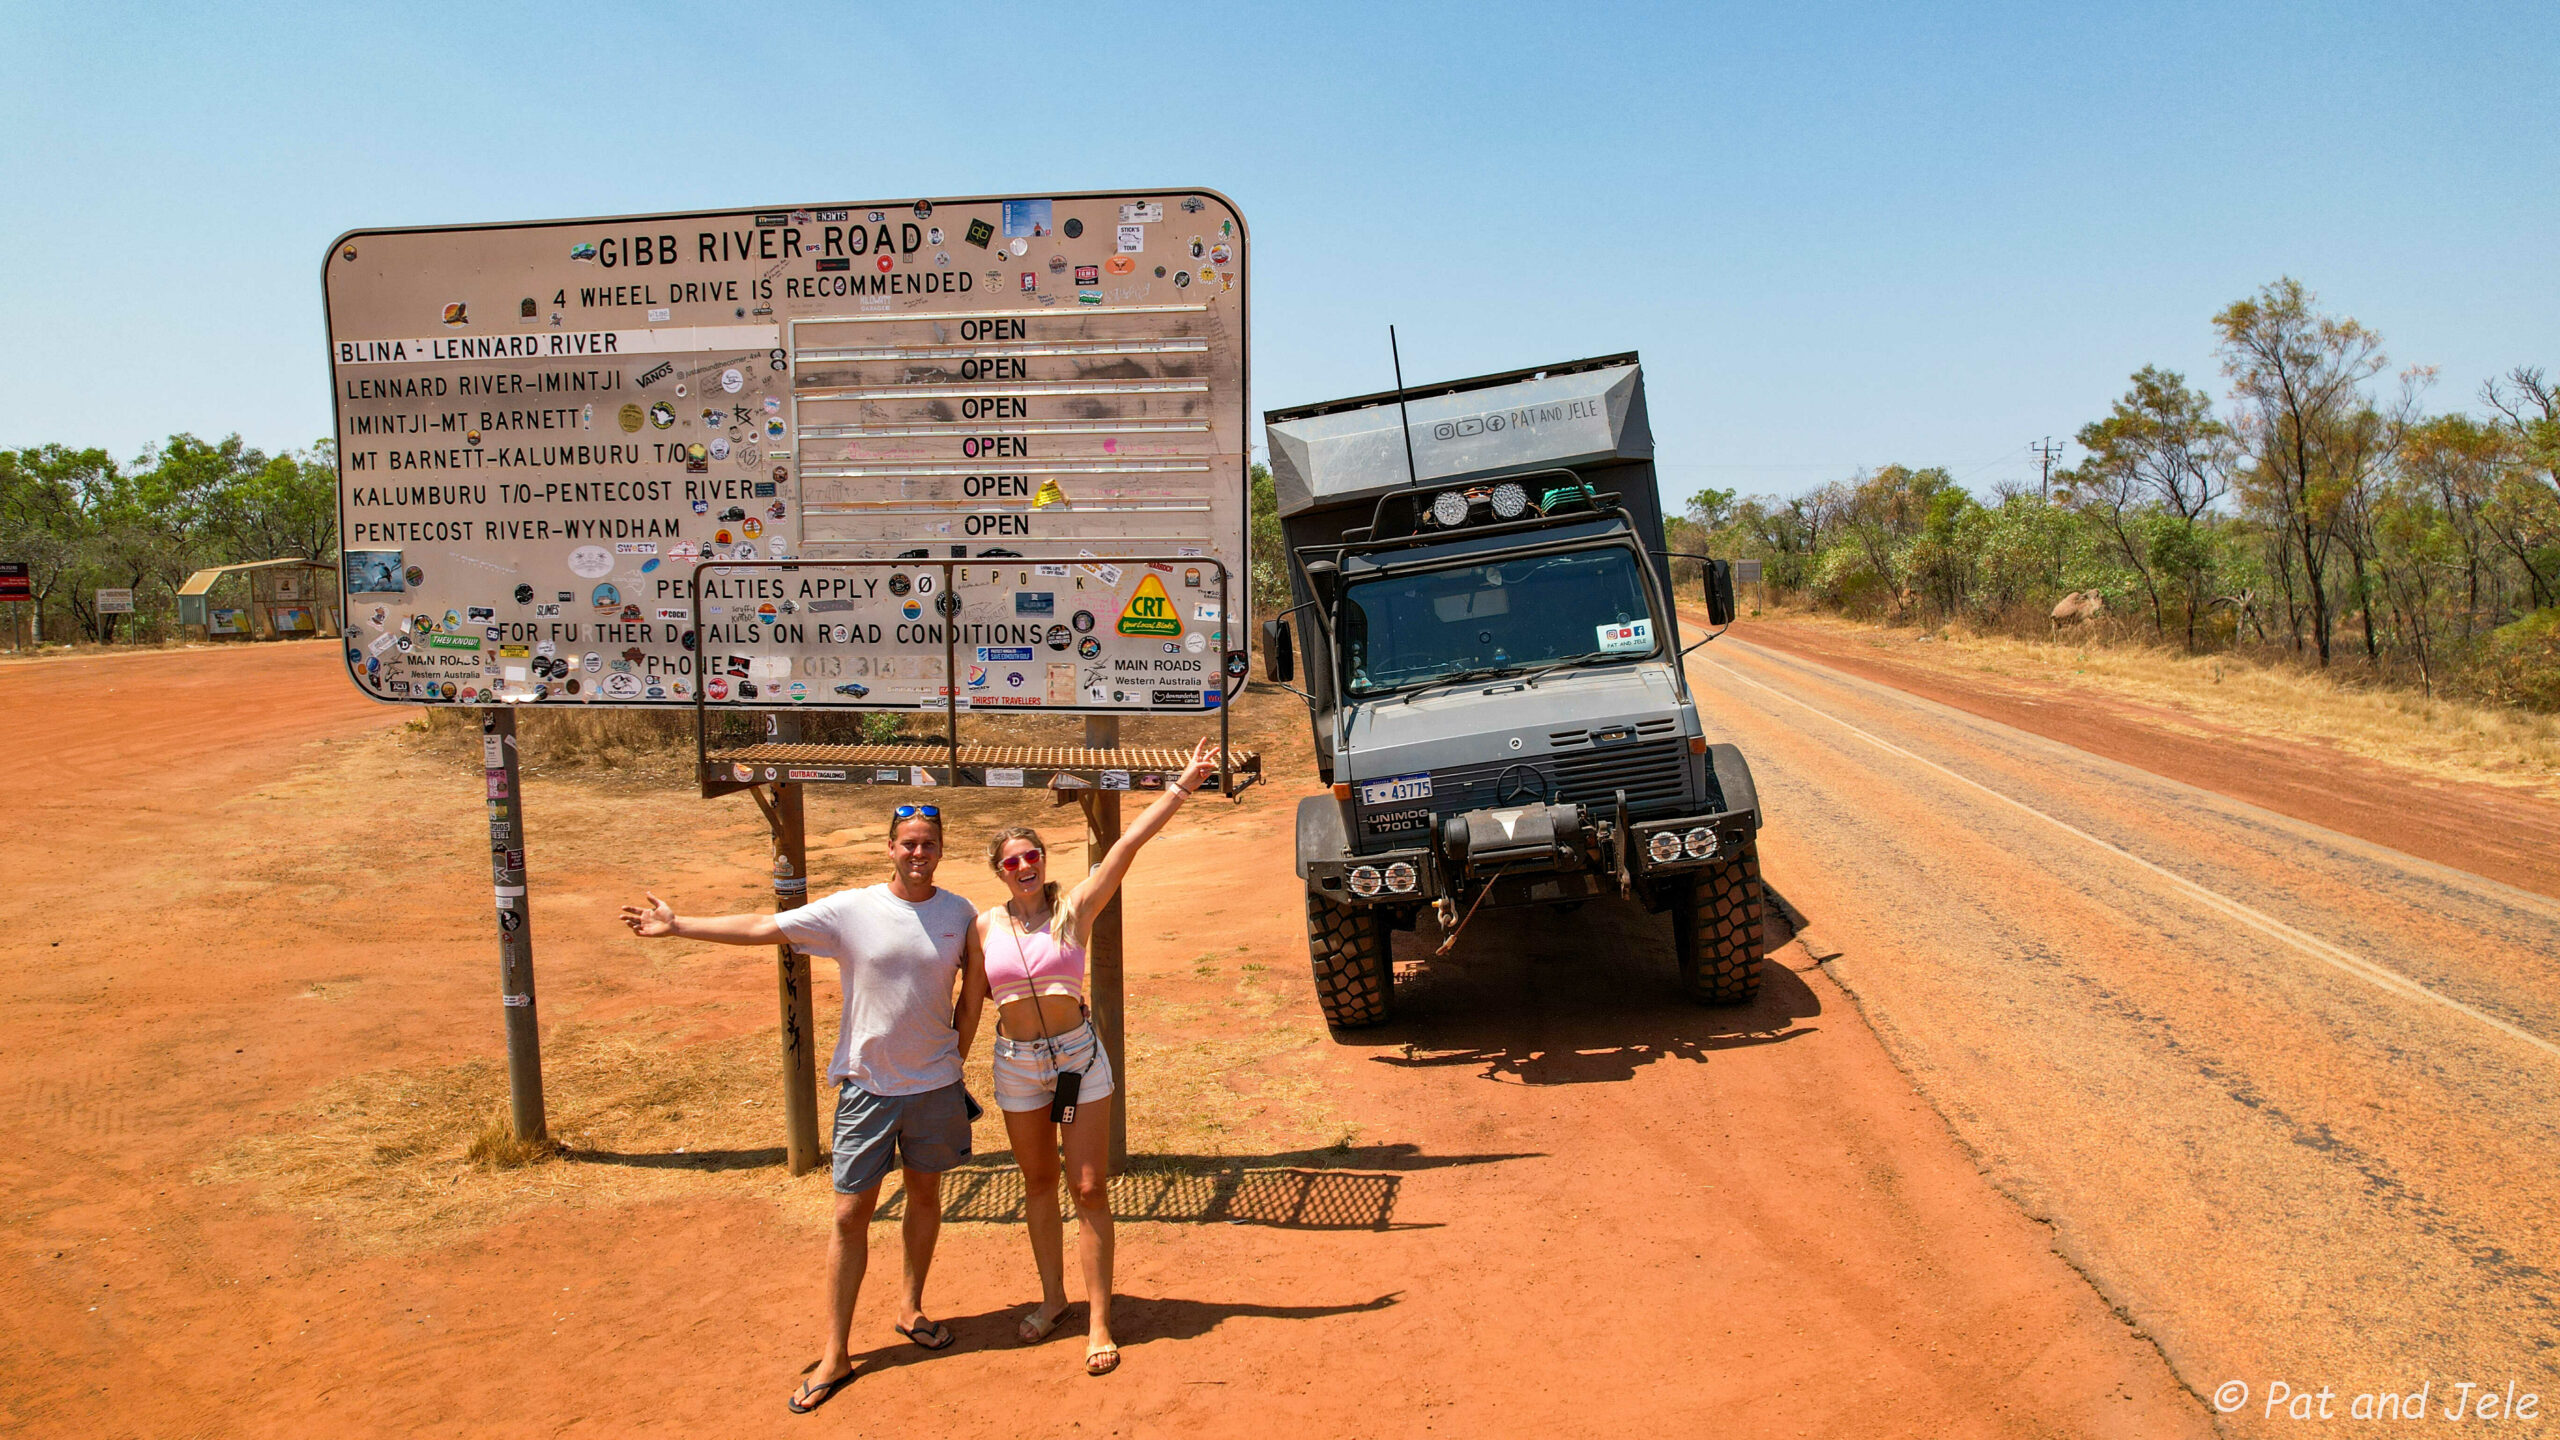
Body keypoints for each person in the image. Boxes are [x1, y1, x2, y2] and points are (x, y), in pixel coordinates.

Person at [619, 803, 984, 1414]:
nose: (919, 854)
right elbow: (767, 926)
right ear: (889, 848)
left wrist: (952, 1060)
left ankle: (911, 1307)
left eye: (929, 844)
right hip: (867, 1088)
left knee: (925, 1197)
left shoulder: (959, 913)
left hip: (933, 1090)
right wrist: (681, 926)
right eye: (908, 844)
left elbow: (972, 997)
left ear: (941, 850)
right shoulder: (853, 910)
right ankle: (836, 1351)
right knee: (849, 1214)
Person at [964, 737, 1220, 1377]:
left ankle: (1099, 1319)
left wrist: (1183, 785)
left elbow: (1126, 847)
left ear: (1042, 860)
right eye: (1011, 860)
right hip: (1017, 1064)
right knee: (1038, 1182)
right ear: (998, 871)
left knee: (1087, 1185)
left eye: (1031, 856)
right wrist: (945, 1065)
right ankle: (1054, 1299)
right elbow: (969, 998)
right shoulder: (983, 927)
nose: (1023, 865)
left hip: (1076, 1062)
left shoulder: (1072, 910)